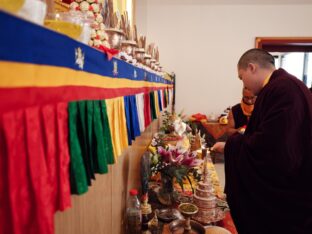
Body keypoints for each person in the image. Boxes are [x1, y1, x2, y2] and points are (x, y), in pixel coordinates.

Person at [212, 48, 312, 234]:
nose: (244, 85)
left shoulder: (283, 90)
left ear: (251, 68)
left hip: (291, 196)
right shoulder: (282, 85)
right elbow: (268, 137)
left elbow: (272, 149)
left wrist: (231, 146)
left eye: (242, 78)